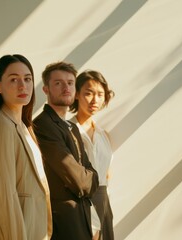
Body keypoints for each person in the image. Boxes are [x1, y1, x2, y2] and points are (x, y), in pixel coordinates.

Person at [0, 54, 52, 240]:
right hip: (10, 233)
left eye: (27, 79)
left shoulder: (23, 126)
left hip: (31, 228)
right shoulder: (1, 125)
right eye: (13, 79)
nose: (22, 86)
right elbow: (4, 194)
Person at [33, 62, 99, 240]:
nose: (66, 88)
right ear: (46, 89)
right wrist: (88, 179)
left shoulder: (73, 127)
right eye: (58, 83)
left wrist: (89, 179)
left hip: (82, 217)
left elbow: (93, 175)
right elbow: (77, 178)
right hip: (62, 221)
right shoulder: (42, 125)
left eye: (70, 83)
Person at [69, 70, 115, 240]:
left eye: (100, 94)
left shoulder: (104, 136)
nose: (95, 100)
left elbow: (107, 175)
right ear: (76, 95)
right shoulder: (66, 131)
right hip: (77, 202)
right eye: (88, 93)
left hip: (103, 201)